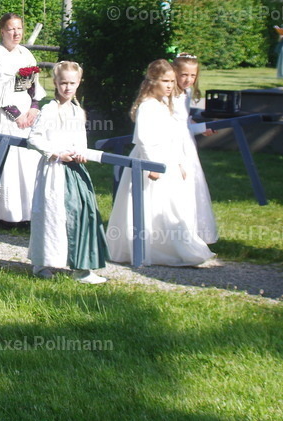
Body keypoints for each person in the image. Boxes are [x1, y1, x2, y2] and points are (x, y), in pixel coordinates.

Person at [105, 59, 215, 267]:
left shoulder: (165, 104)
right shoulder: (147, 106)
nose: (170, 86)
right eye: (165, 81)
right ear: (153, 81)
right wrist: (151, 165)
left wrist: (180, 162)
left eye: (172, 81)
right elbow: (144, 139)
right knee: (148, 202)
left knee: (173, 206)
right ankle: (144, 246)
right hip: (150, 161)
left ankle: (174, 244)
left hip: (169, 157)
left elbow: (173, 135)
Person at [27, 61, 110, 284]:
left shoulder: (77, 111)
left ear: (79, 83)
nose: (67, 87)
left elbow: (81, 142)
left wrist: (81, 154)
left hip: (74, 170)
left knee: (83, 211)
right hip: (53, 170)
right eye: (63, 83)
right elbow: (34, 138)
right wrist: (56, 153)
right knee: (51, 215)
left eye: (72, 83)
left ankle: (81, 267)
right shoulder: (49, 109)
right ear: (56, 82)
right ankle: (42, 262)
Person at [0, 13, 45, 227]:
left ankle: (29, 213)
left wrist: (34, 109)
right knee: (9, 163)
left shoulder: (25, 54)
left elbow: (35, 84)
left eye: (19, 28)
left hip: (28, 115)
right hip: (7, 117)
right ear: (2, 31)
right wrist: (17, 116)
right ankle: (7, 215)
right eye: (11, 29)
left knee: (29, 162)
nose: (16, 33)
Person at [171, 54, 219, 244]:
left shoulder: (187, 93)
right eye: (184, 75)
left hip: (187, 143)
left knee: (192, 183)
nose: (188, 79)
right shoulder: (169, 94)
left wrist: (201, 128)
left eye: (192, 75)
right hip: (173, 143)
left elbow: (185, 121)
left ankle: (192, 229)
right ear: (175, 73)